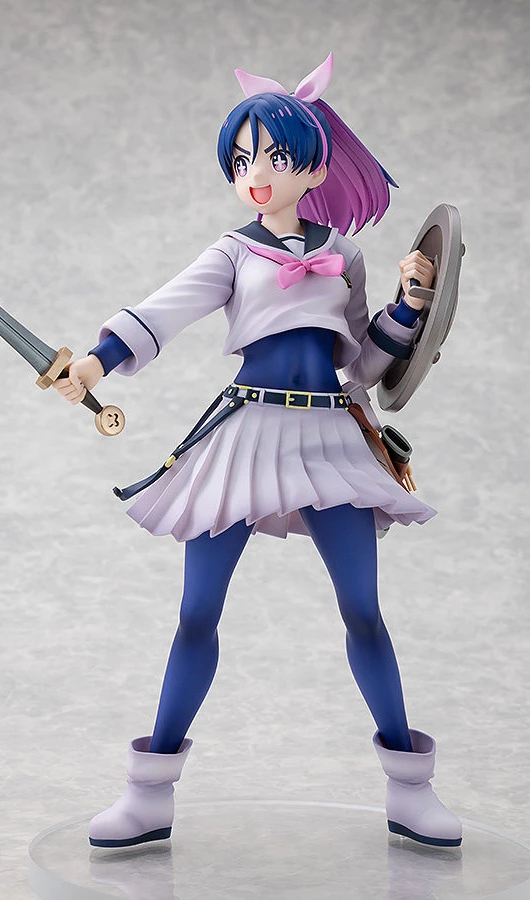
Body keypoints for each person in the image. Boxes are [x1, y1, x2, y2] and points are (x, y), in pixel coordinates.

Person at [54, 53, 462, 850]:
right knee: (196, 614)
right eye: (243, 161)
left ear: (314, 164)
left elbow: (363, 365)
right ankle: (148, 793)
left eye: (274, 157)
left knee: (363, 611)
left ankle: (411, 792)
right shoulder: (233, 253)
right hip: (244, 436)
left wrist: (412, 305)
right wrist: (96, 363)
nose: (257, 175)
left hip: (329, 437)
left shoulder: (344, 255)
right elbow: (165, 311)